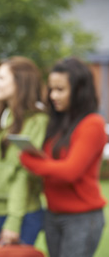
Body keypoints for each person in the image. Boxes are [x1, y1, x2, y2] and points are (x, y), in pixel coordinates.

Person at [20, 57, 107, 257]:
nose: (53, 96)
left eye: (60, 90)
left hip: (82, 218)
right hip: (53, 214)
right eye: (51, 89)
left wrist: (29, 160)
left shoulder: (92, 124)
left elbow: (69, 172)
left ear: (78, 91)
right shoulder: (57, 124)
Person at [0, 56, 48, 257]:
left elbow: (24, 175)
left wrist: (14, 220)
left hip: (22, 215)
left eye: (0, 78)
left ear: (20, 81)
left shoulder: (37, 121)